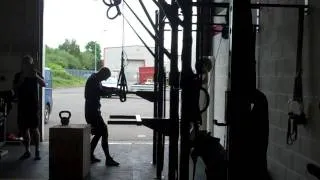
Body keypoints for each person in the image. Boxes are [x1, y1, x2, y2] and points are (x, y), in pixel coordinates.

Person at [84, 67, 119, 166]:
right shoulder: (93, 80)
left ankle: (90, 155)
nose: (106, 80)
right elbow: (101, 92)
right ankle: (108, 159)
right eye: (106, 78)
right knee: (104, 130)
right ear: (102, 74)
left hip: (92, 111)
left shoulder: (95, 78)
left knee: (99, 132)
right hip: (92, 112)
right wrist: (113, 91)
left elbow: (102, 88)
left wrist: (113, 89)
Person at [13, 55, 45, 160]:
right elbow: (14, 88)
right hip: (22, 105)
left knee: (34, 128)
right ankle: (27, 151)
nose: (27, 65)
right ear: (22, 64)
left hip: (33, 106)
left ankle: (37, 151)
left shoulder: (35, 73)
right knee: (23, 129)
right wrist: (21, 80)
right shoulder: (18, 75)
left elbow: (44, 84)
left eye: (29, 63)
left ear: (31, 64)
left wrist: (36, 76)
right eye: (25, 63)